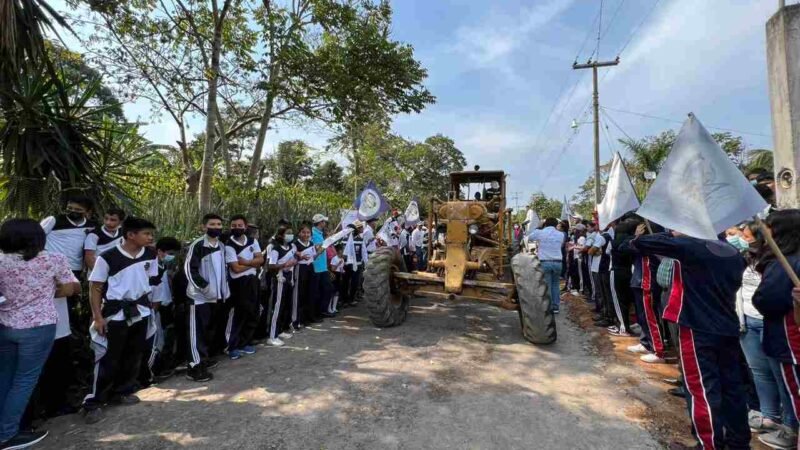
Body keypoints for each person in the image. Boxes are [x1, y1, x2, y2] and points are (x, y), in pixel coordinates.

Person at [632, 227, 750, 450]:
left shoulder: (692, 247)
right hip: (726, 326)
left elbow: (640, 242)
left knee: (701, 389)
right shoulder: (732, 252)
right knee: (732, 389)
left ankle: (708, 445)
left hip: (696, 327)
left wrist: (676, 234)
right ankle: (738, 443)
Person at [0, 219, 79, 449]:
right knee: (25, 380)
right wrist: (42, 292)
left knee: (5, 377)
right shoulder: (53, 259)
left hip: (5, 326)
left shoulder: (1, 261)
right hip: (38, 327)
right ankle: (7, 434)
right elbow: (69, 289)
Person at [83, 217, 159, 424]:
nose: (150, 238)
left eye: (151, 234)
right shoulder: (107, 257)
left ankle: (123, 391)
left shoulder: (150, 254)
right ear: (131, 235)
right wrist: (98, 317)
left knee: (133, 354)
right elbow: (95, 287)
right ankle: (94, 401)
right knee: (108, 356)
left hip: (141, 311)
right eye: (146, 234)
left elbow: (149, 280)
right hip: (116, 313)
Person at [753, 210, 800, 449]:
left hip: (789, 340)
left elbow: (768, 299)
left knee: (795, 392)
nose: (765, 232)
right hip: (787, 338)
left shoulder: (786, 263)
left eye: (770, 227)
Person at [184, 214, 230, 382]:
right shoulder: (197, 245)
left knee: (207, 330)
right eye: (212, 224)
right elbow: (189, 270)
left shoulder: (221, 246)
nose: (216, 227)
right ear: (204, 227)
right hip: (199, 297)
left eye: (219, 224)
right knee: (196, 332)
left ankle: (203, 359)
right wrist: (205, 287)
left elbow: (223, 270)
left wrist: (224, 290)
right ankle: (194, 367)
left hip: (215, 297)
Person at [224, 215, 264, 361]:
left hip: (253, 280)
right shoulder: (229, 245)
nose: (237, 228)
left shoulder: (253, 241)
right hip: (238, 283)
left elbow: (261, 260)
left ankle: (244, 342)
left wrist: (246, 262)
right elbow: (235, 268)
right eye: (234, 226)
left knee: (253, 311)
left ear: (245, 227)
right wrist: (253, 264)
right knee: (238, 314)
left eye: (240, 225)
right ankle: (231, 346)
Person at [143, 236, 182, 384]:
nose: (172, 257)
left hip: (164, 305)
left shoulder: (163, 266)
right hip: (152, 309)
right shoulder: (150, 266)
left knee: (163, 339)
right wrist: (153, 311)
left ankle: (158, 369)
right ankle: (148, 374)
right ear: (160, 251)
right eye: (170, 253)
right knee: (154, 343)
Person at [266, 227, 297, 347]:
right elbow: (271, 266)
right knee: (277, 306)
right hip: (279, 278)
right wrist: (285, 264)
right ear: (281, 235)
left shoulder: (291, 247)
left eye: (291, 233)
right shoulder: (276, 249)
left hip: (288, 277)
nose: (290, 235)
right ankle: (272, 336)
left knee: (284, 305)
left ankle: (280, 330)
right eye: (288, 233)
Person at [527, 217, 565, 313]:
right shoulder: (561, 234)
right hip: (558, 262)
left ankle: (549, 306)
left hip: (545, 262)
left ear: (545, 224)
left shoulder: (540, 232)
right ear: (556, 225)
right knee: (555, 284)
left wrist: (539, 227)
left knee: (547, 284)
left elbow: (530, 237)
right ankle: (556, 306)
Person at [291, 223, 315, 328]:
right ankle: (296, 320)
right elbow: (293, 255)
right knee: (298, 294)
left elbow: (313, 255)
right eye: (303, 232)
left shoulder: (311, 243)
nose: (306, 234)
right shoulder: (295, 244)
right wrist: (299, 255)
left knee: (308, 293)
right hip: (300, 269)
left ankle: (305, 318)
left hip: (310, 268)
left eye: (308, 232)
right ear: (299, 233)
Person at [310, 214, 333, 320]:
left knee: (327, 289)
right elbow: (316, 250)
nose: (325, 223)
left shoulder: (320, 234)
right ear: (320, 223)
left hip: (323, 267)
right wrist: (325, 243)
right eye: (324, 221)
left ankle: (322, 310)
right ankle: (315, 314)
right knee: (317, 292)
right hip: (316, 267)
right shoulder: (313, 234)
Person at [343, 222, 368, 307]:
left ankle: (351, 299)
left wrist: (366, 264)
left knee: (355, 282)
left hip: (357, 264)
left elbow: (364, 253)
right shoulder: (343, 240)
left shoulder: (360, 240)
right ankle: (345, 300)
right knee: (345, 282)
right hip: (346, 264)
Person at [331, 245, 345, 312]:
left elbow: (341, 268)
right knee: (333, 291)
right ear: (339, 251)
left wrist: (343, 272)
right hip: (335, 275)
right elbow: (333, 269)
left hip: (340, 275)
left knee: (337, 292)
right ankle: (330, 307)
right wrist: (338, 263)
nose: (343, 252)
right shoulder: (334, 258)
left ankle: (334, 307)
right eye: (342, 250)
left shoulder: (342, 259)